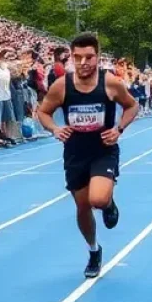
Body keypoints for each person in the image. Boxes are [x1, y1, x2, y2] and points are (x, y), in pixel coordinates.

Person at [36, 33, 139, 278]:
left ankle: (108, 203)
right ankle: (94, 250)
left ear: (98, 58)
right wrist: (55, 128)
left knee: (98, 199)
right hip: (75, 153)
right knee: (83, 206)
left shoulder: (110, 82)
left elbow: (132, 105)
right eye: (78, 57)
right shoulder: (62, 85)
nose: (83, 62)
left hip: (103, 149)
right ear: (72, 58)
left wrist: (119, 129)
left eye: (89, 57)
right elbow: (43, 112)